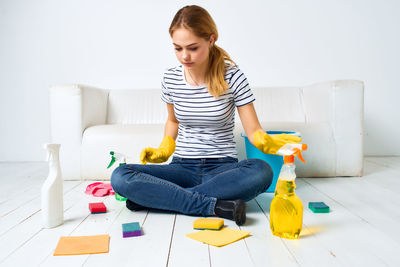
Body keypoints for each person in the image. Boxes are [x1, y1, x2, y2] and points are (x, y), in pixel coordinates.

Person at [111, 5, 300, 226]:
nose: (184, 56)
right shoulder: (170, 78)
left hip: (224, 170)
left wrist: (266, 141)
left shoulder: (233, 76)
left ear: (211, 40)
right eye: (177, 48)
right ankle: (212, 206)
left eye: (192, 47)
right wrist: (164, 149)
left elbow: (253, 130)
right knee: (121, 175)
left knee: (262, 171)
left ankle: (161, 199)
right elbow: (173, 121)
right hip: (181, 167)